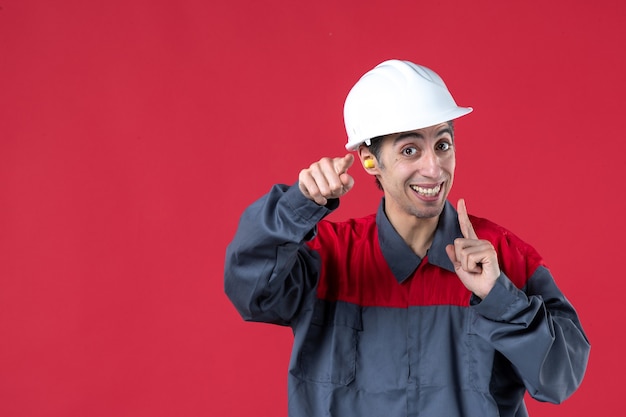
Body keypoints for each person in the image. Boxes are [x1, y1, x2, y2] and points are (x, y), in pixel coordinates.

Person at [224, 60, 590, 417]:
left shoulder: (503, 258)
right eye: (409, 150)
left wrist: (499, 298)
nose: (433, 168)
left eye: (443, 145)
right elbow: (249, 291)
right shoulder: (328, 256)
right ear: (370, 161)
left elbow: (560, 378)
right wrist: (295, 207)